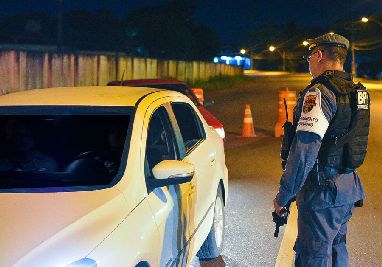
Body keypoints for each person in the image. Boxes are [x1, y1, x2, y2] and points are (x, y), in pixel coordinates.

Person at [273, 33, 370, 266]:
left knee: (313, 255)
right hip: (347, 186)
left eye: (309, 57)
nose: (309, 62)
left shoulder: (319, 94)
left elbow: (305, 150)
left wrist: (284, 196)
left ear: (318, 55)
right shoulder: (358, 92)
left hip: (322, 192)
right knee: (336, 248)